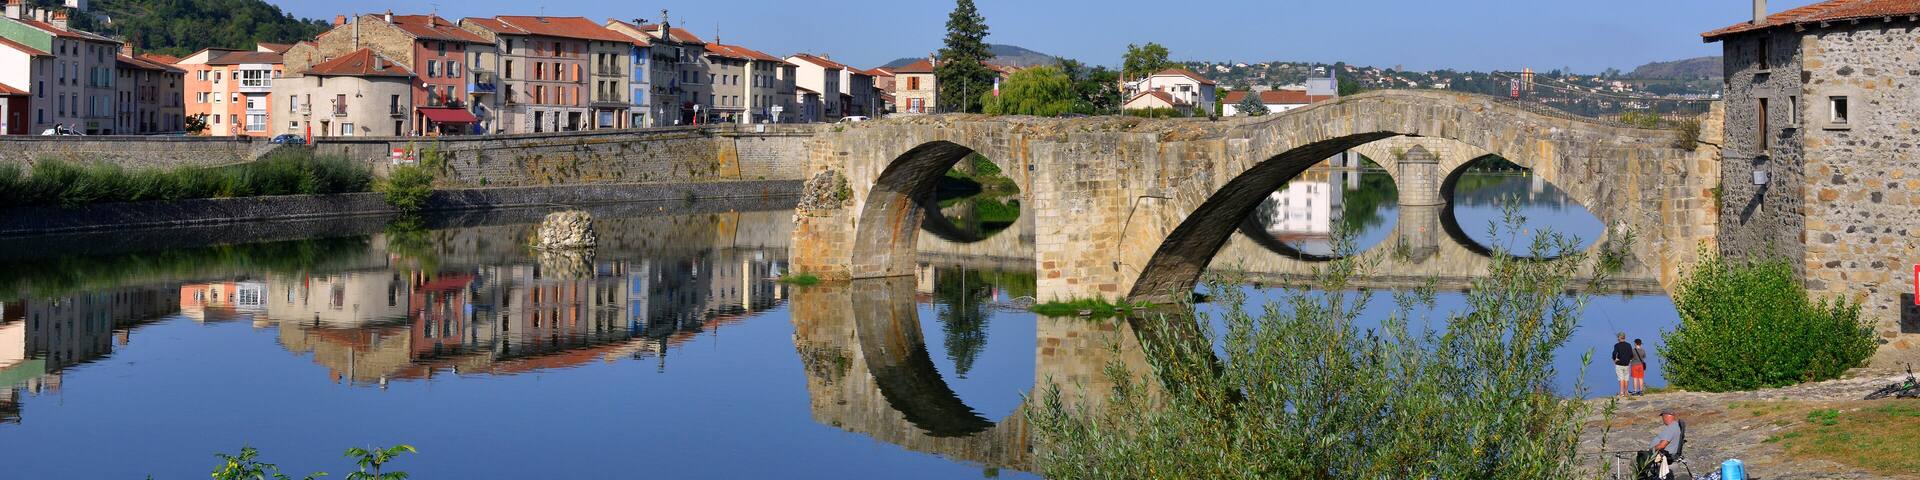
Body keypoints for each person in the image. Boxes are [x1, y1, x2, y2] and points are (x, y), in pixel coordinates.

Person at [1651, 409, 1685, 479]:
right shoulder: (1675, 426)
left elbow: (1662, 445)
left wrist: (1650, 450)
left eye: (1662, 417)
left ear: (1666, 416)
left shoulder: (1671, 428)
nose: (1662, 419)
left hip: (1663, 456)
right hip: (1667, 454)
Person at [1612, 332, 1634, 397]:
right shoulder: (1629, 345)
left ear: (1619, 337)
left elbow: (1614, 353)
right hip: (1627, 364)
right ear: (1624, 337)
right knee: (1626, 378)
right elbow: (1631, 354)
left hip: (1619, 364)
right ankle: (1626, 392)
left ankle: (1621, 393)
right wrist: (1629, 359)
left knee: (1621, 378)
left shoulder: (1617, 345)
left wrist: (1615, 359)